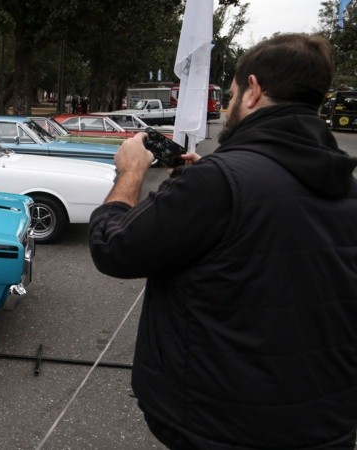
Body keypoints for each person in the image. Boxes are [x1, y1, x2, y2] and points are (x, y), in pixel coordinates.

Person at [88, 33, 357, 449]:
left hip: (222, 425)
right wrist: (200, 184)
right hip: (326, 422)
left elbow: (114, 249)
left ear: (253, 91)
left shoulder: (218, 182)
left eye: (231, 94)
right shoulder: (346, 184)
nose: (229, 104)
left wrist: (130, 175)